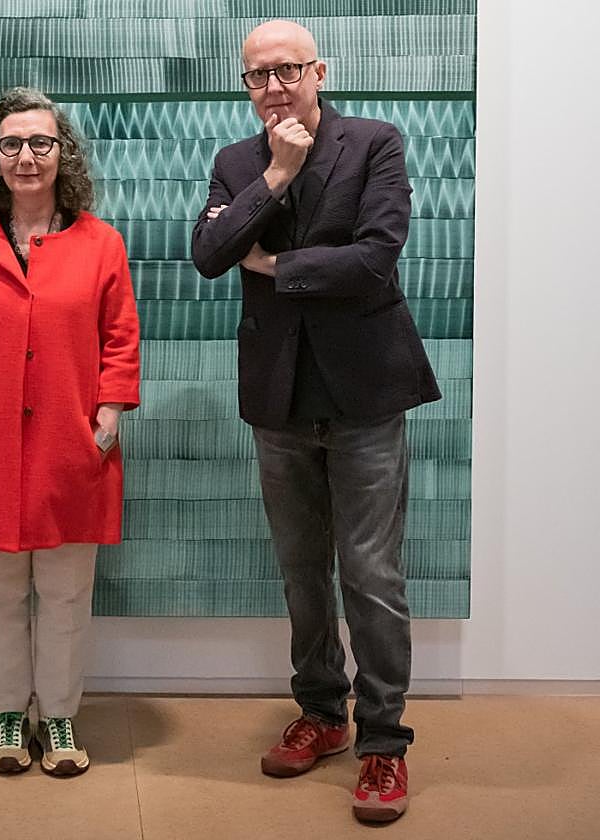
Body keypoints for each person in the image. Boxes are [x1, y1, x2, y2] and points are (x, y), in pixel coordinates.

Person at [191, 20, 441, 823]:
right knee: (302, 571)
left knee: (372, 577)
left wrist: (276, 264)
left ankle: (383, 745)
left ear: (319, 72)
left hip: (366, 395)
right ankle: (323, 714)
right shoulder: (239, 162)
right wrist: (280, 173)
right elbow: (208, 252)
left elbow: (376, 256)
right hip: (279, 398)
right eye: (257, 76)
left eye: (287, 70)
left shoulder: (375, 144)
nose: (272, 87)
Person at [0, 87, 140, 777]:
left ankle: (62, 715)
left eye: (41, 143)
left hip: (70, 445)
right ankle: (8, 715)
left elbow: (121, 339)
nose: (27, 156)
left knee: (67, 592)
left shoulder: (101, 242)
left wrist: (106, 418)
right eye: (12, 143)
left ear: (63, 153)